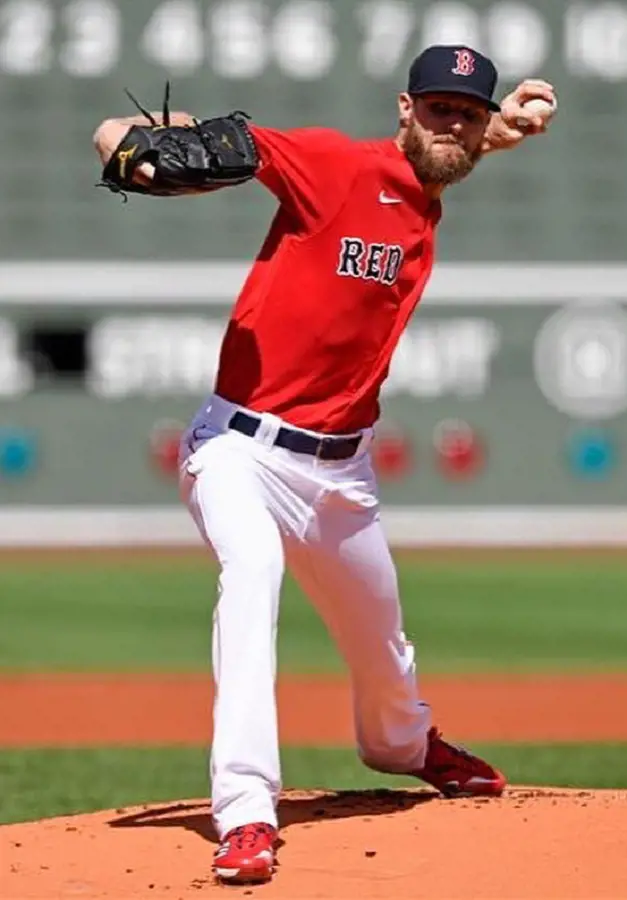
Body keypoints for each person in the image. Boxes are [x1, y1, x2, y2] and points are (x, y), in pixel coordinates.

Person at [93, 44, 556, 886]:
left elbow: (444, 157)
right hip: (241, 449)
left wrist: (502, 133)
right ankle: (244, 811)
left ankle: (402, 745)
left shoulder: (430, 179)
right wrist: (114, 134)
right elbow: (157, 139)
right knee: (252, 576)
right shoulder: (335, 162)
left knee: (382, 644)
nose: (450, 121)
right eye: (435, 105)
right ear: (402, 107)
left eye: (468, 111)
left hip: (341, 475)